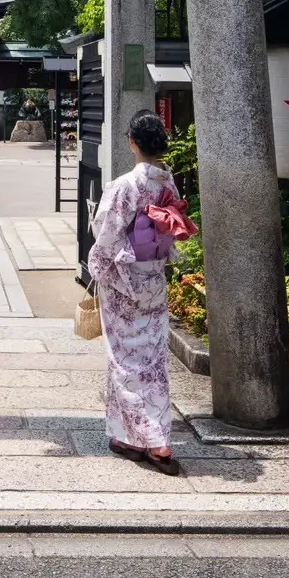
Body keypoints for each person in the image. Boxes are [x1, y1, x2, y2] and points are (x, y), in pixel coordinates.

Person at [87, 108, 198, 474]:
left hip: (124, 283)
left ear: (132, 142)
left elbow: (107, 234)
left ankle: (152, 440)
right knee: (152, 364)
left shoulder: (125, 186)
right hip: (153, 280)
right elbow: (169, 232)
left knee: (124, 362)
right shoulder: (167, 184)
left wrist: (98, 270)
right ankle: (131, 436)